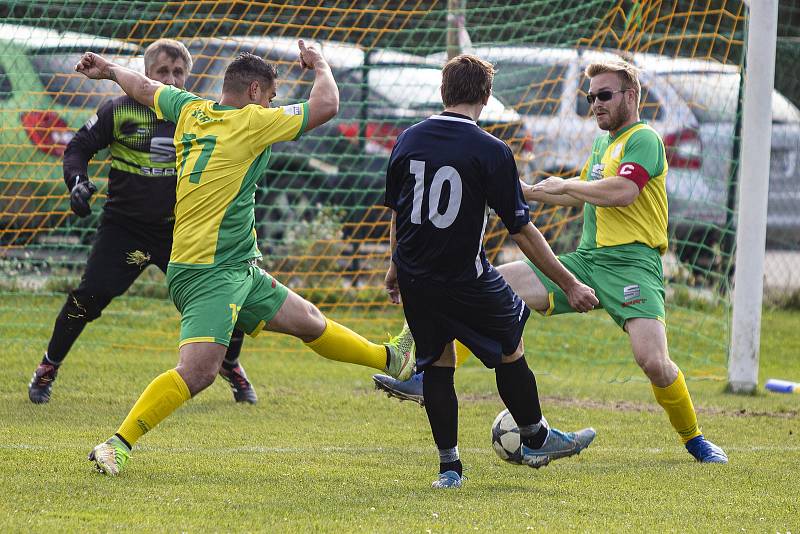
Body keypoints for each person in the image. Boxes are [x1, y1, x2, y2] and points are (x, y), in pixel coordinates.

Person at [75, 41, 416, 476]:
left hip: (237, 266)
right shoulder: (253, 122)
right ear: (256, 91)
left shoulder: (192, 108)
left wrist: (107, 69)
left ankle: (392, 360)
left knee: (309, 320)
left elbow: (143, 87)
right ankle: (117, 444)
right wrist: (320, 62)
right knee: (197, 373)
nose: (274, 104)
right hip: (208, 272)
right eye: (272, 96)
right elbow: (327, 103)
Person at [374, 59, 728, 464]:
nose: (595, 103)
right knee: (487, 284)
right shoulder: (602, 144)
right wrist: (523, 190)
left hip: (633, 265)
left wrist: (562, 185)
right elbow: (576, 194)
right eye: (590, 96)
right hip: (587, 259)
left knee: (654, 362)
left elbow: (622, 191)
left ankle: (695, 439)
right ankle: (423, 371)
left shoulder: (644, 138)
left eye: (604, 95)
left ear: (632, 95)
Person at [383, 54, 599, 489]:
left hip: (415, 275)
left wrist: (393, 268)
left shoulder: (408, 139)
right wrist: (570, 282)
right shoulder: (492, 150)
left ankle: (449, 469)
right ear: (486, 97)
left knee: (439, 364)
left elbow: (398, 212)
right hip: (466, 278)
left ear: (443, 93)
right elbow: (521, 230)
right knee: (509, 346)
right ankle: (536, 436)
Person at [28, 39, 257, 405]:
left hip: (183, 232)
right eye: (162, 71)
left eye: (178, 72)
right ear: (145, 74)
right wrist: (77, 184)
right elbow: (77, 149)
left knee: (229, 295)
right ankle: (48, 366)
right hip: (125, 228)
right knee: (88, 298)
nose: (171, 78)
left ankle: (230, 365)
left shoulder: (199, 114)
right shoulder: (118, 111)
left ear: (189, 75)